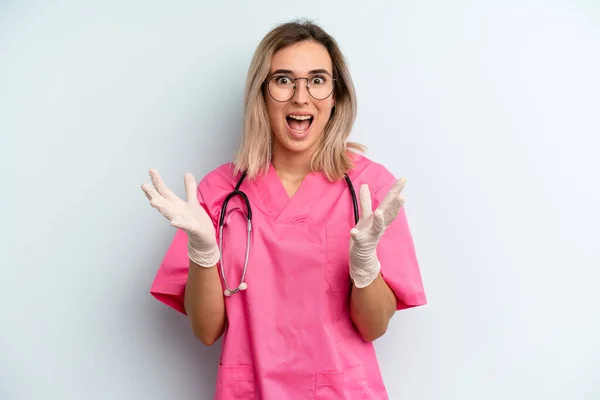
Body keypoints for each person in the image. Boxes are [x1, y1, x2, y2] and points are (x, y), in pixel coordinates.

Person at [141, 20, 426, 400]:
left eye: (318, 80)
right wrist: (203, 254)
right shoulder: (220, 193)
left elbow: (373, 326)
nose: (301, 97)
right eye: (284, 80)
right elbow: (206, 331)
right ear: (262, 93)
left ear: (336, 95)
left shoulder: (368, 191)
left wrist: (365, 265)